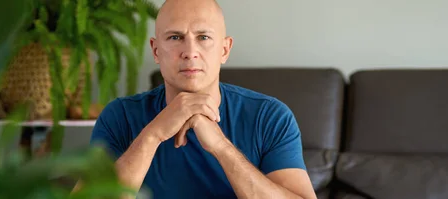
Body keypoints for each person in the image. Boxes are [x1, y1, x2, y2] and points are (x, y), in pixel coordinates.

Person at [83, 0, 317, 198]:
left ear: (224, 50)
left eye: (203, 37)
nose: (190, 51)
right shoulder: (120, 116)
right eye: (175, 37)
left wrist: (221, 147)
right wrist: (153, 134)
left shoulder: (270, 116)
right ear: (156, 51)